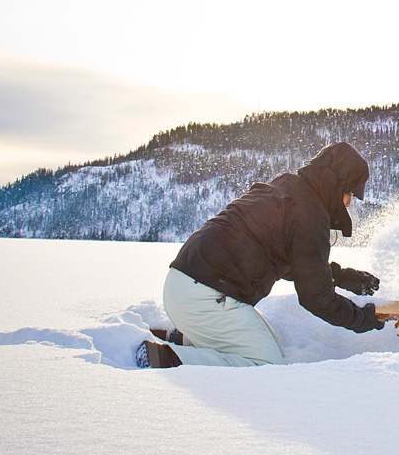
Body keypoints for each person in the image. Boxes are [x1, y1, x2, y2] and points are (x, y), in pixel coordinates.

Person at [137, 142, 385, 368]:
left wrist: (341, 277)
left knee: (273, 344)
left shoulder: (288, 187)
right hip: (205, 296)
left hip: (183, 285)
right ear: (335, 184)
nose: (349, 203)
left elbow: (294, 263)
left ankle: (179, 338)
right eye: (350, 193)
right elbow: (315, 298)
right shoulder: (310, 215)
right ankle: (165, 359)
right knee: (265, 364)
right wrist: (363, 319)